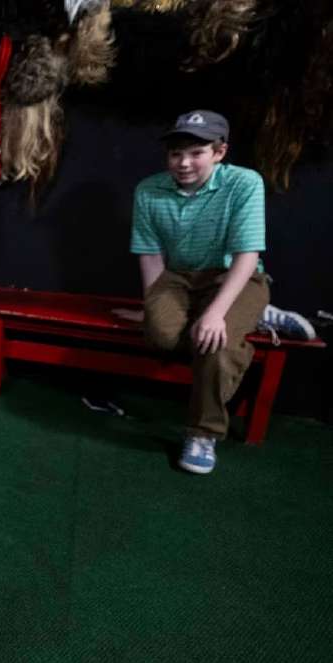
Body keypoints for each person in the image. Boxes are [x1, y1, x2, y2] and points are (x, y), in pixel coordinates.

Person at [131, 110, 269, 474]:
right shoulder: (149, 190)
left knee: (216, 345)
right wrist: (152, 305)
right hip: (179, 278)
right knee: (160, 335)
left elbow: (247, 255)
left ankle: (202, 433)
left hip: (234, 277)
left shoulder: (244, 183)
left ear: (219, 152)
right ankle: (255, 318)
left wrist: (216, 314)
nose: (184, 163)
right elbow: (150, 255)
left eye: (196, 153)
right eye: (176, 153)